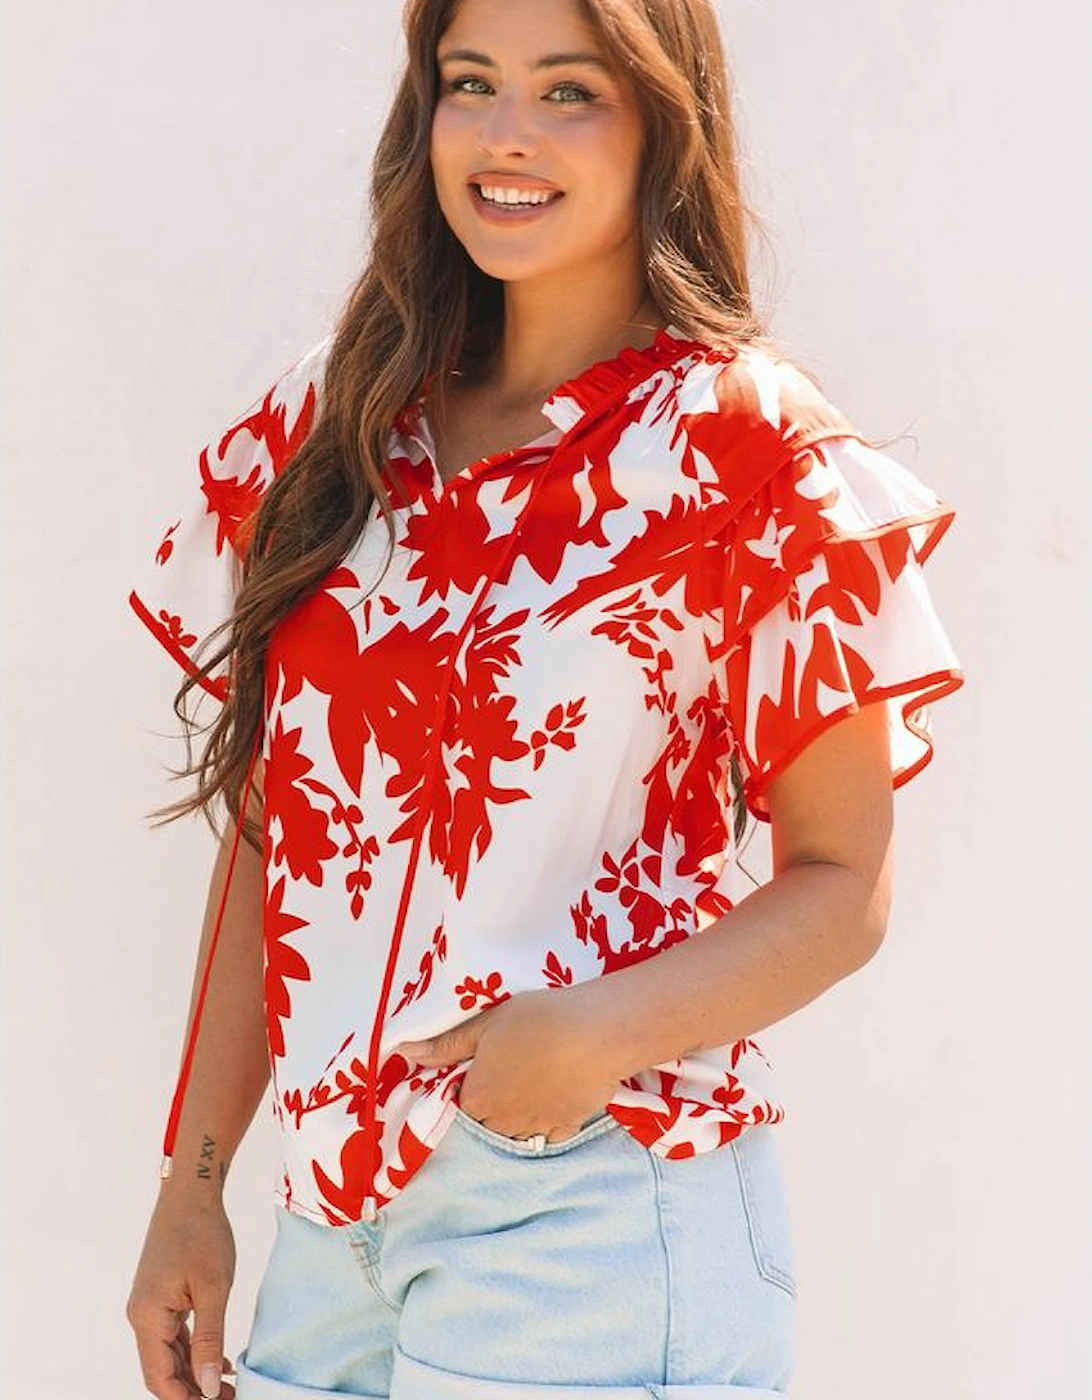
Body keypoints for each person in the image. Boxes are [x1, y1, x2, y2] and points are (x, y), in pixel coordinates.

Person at [125, 0, 963, 1396]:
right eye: (473, 83)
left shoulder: (737, 452)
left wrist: (589, 1037)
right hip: (330, 1231)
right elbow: (282, 831)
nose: (508, 136)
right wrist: (193, 1180)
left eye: (569, 91)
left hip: (590, 1200)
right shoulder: (336, 432)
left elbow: (844, 882)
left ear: (659, 122)